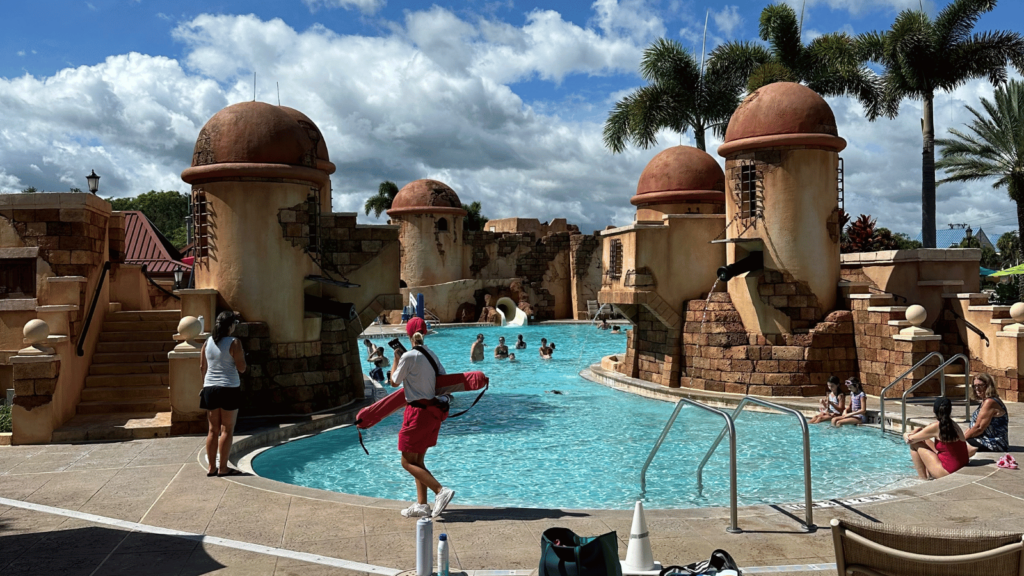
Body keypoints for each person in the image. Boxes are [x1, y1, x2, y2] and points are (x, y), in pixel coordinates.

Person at [389, 317, 456, 518]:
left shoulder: (408, 357)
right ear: (424, 333)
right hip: (432, 413)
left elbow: (393, 381)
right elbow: (443, 382)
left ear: (409, 336)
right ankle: (421, 505)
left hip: (416, 413)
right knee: (418, 460)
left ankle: (440, 491)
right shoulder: (433, 356)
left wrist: (396, 358)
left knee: (406, 462)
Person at [200, 311, 247, 477]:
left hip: (209, 388)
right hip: (228, 388)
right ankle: (223, 468)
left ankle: (211, 467)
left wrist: (205, 385)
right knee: (227, 429)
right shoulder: (234, 342)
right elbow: (242, 368)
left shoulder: (207, 343)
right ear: (231, 325)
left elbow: (202, 368)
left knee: (213, 430)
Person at [904, 398, 969, 479]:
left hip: (948, 471)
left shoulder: (936, 426)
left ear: (934, 411)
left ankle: (923, 479)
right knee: (925, 440)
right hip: (961, 466)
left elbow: (910, 439)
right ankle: (928, 473)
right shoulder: (953, 424)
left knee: (914, 444)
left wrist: (905, 434)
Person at [964, 373, 1009, 456]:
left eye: (980, 385)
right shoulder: (985, 401)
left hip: (993, 443)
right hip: (983, 439)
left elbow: (979, 428)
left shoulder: (990, 402)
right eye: (975, 386)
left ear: (988, 386)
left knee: (958, 446)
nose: (977, 389)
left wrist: (961, 439)